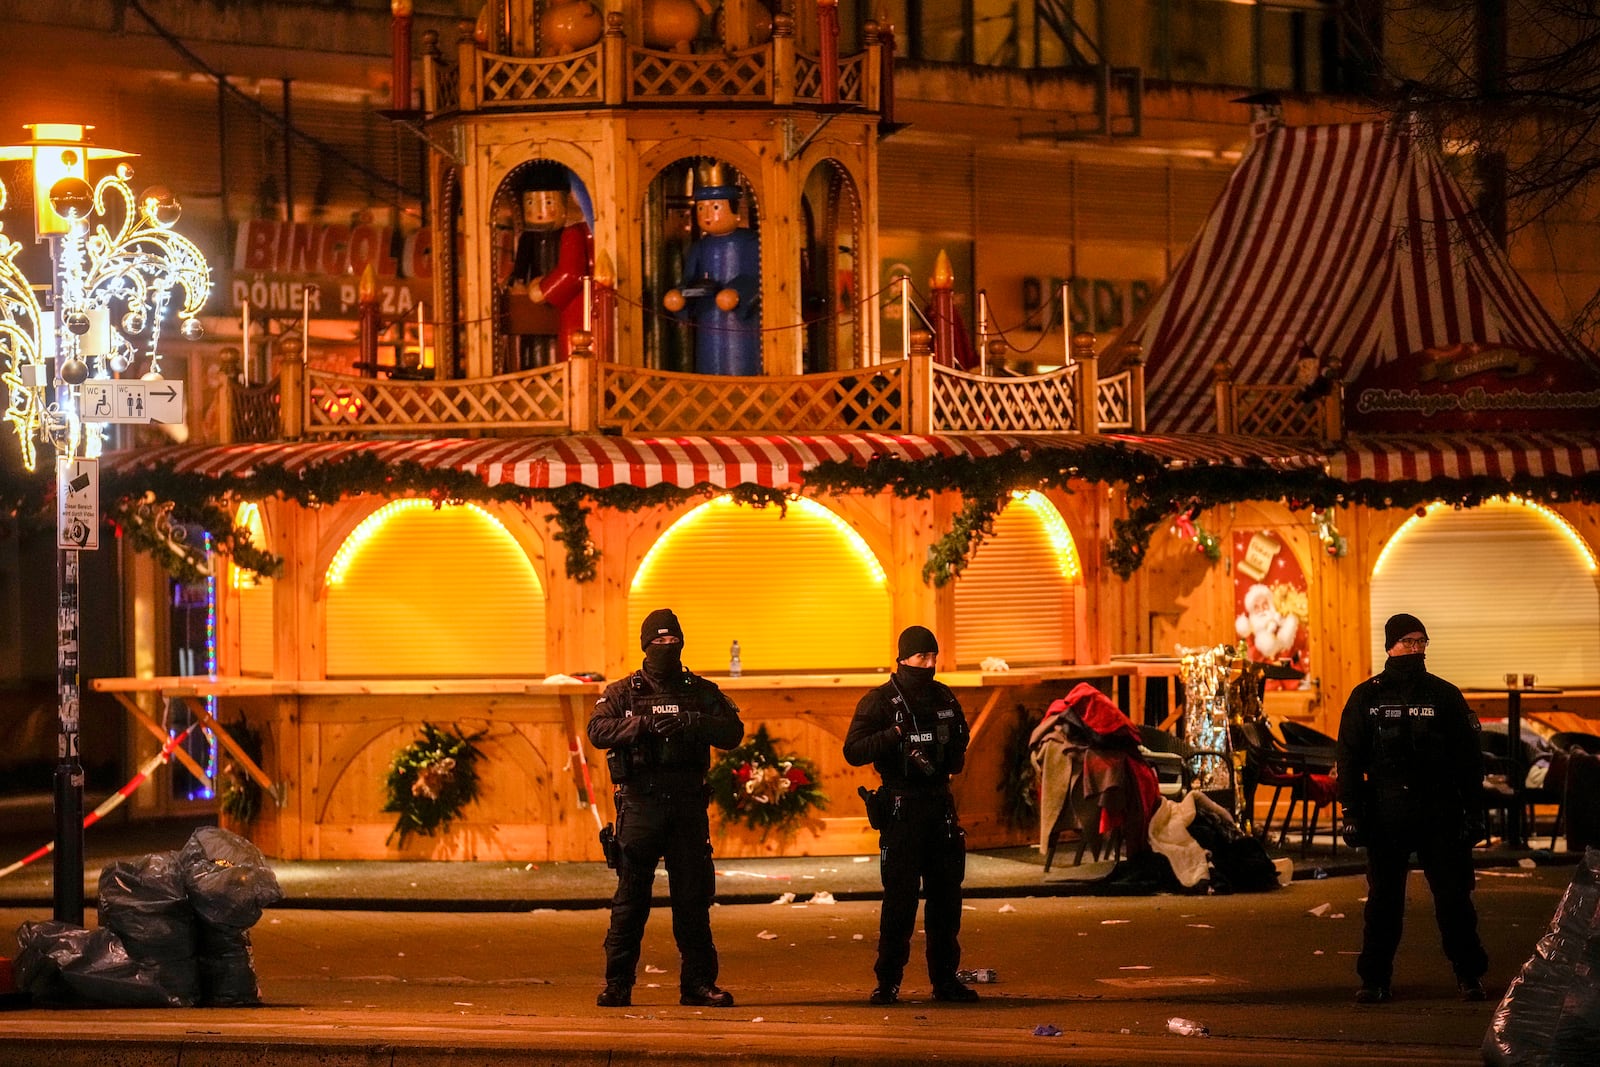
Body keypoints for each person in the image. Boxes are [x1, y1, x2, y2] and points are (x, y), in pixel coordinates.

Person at [587, 608, 744, 1009]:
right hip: (641, 805)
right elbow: (597, 731)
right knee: (630, 901)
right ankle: (617, 984)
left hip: (688, 805)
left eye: (672, 641)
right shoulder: (625, 692)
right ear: (645, 646)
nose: (666, 648)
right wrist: (641, 724)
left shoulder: (699, 690)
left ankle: (698, 984)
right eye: (658, 642)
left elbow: (732, 732)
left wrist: (693, 721)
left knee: (692, 900)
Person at [1335, 612, 1490, 1005]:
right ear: (1390, 646)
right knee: (1384, 902)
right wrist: (1351, 812)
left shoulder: (1444, 695)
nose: (1416, 650)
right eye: (1408, 642)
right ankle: (1374, 979)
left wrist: (1474, 811)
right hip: (1387, 810)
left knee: (1454, 898)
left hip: (1440, 808)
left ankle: (1469, 974)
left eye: (1422, 642)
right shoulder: (1366, 697)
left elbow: (1469, 760)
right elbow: (1349, 758)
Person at [843, 625, 977, 1006]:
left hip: (939, 808)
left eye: (933, 657)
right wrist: (894, 735)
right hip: (902, 809)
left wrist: (948, 750)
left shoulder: (943, 696)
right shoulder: (880, 702)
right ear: (902, 658)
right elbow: (853, 751)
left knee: (946, 903)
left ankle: (945, 981)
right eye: (921, 658)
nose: (929, 664)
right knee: (899, 904)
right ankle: (888, 983)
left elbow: (960, 741)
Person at [663, 165, 761, 375]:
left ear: (735, 210)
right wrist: (681, 295)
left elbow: (759, 278)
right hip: (710, 320)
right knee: (710, 362)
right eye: (701, 208)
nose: (707, 214)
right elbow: (691, 278)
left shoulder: (751, 242)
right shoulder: (700, 246)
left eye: (715, 207)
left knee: (741, 364)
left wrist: (738, 292)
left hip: (743, 325)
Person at [505, 163, 593, 368]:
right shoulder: (528, 238)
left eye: (548, 202)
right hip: (534, 294)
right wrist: (517, 281)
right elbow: (522, 262)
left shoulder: (568, 235)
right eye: (530, 203)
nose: (538, 211)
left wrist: (547, 287)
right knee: (532, 340)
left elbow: (569, 270)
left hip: (555, 297)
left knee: (556, 338)